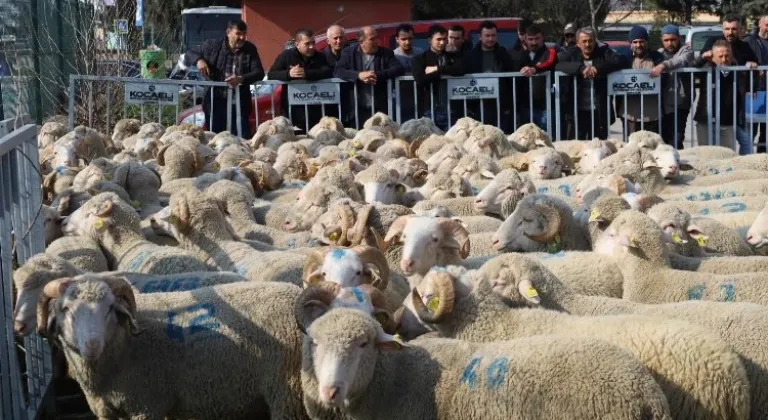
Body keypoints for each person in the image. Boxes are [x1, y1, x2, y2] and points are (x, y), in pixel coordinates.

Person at [186, 19, 264, 138]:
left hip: (239, 102)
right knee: (215, 138)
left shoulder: (250, 48)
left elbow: (259, 72)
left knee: (241, 139)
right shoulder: (212, 45)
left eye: (244, 34)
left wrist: (241, 78)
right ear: (228, 32)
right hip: (215, 102)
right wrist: (199, 61)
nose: (242, 37)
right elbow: (190, 52)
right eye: (238, 33)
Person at [699, 15, 758, 154]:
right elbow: (699, 63)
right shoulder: (712, 42)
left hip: (734, 105)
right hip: (712, 105)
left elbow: (755, 67)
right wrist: (704, 57)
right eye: (727, 29)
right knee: (711, 149)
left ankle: (744, 170)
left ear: (740, 30)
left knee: (742, 143)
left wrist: (751, 66)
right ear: (722, 29)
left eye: (734, 29)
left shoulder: (744, 46)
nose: (730, 32)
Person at [556, 27, 623, 140]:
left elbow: (620, 60)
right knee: (577, 150)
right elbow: (558, 64)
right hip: (577, 113)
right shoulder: (571, 54)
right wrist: (581, 68)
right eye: (584, 41)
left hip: (599, 113)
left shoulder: (604, 53)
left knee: (600, 149)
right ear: (578, 43)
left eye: (590, 40)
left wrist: (598, 69)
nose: (588, 44)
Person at [334, 26, 405, 126]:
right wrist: (358, 75)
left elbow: (398, 68)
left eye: (377, 38)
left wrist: (376, 75)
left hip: (379, 108)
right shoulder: (349, 53)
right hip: (356, 109)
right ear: (361, 42)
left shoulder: (386, 53)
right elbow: (338, 71)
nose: (377, 42)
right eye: (372, 39)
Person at [267, 28, 333, 132]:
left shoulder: (319, 56)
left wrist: (306, 73)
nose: (311, 47)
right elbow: (271, 74)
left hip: (316, 108)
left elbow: (328, 71)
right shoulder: (286, 55)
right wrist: (288, 74)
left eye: (313, 43)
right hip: (293, 109)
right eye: (307, 44)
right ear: (297, 44)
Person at [694, 40, 750, 151]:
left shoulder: (736, 69)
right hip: (705, 119)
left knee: (727, 156)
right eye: (720, 56)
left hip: (727, 121)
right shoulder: (707, 68)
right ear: (713, 56)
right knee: (706, 155)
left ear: (732, 55)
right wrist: (702, 58)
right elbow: (692, 66)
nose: (724, 59)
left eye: (727, 55)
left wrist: (750, 64)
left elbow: (746, 81)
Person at [463, 20, 515, 131]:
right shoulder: (470, 56)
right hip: (478, 105)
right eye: (487, 36)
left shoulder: (503, 54)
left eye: (493, 35)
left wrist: (508, 104)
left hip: (501, 105)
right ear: (480, 37)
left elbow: (510, 79)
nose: (490, 39)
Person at [412, 24, 466, 130]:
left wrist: (437, 69)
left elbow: (461, 70)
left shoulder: (453, 56)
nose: (442, 42)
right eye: (438, 39)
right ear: (430, 40)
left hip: (451, 109)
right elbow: (420, 79)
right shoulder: (420, 59)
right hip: (429, 109)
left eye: (445, 39)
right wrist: (443, 73)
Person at [649, 24, 694, 149]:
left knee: (676, 140)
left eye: (673, 40)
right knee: (663, 140)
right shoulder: (659, 53)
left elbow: (680, 61)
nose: (670, 43)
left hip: (680, 103)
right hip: (662, 104)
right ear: (661, 40)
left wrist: (663, 65)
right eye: (666, 40)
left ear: (679, 38)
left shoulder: (686, 50)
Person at [615, 26, 664, 136]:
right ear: (630, 43)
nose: (638, 45)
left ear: (647, 42)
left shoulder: (657, 58)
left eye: (641, 41)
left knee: (651, 147)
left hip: (652, 113)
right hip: (630, 113)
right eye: (635, 42)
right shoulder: (624, 59)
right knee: (631, 147)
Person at [510, 24, 557, 131]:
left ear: (543, 38)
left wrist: (534, 69)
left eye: (537, 39)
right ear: (525, 39)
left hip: (545, 107)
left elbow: (548, 62)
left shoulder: (550, 52)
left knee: (547, 139)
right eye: (530, 39)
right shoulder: (521, 54)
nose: (534, 42)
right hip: (525, 106)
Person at [743, 14, 768, 152]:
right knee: (750, 131)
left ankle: (762, 162)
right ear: (760, 24)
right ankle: (748, 161)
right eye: (767, 25)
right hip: (754, 92)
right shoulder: (749, 41)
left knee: (766, 132)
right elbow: (739, 61)